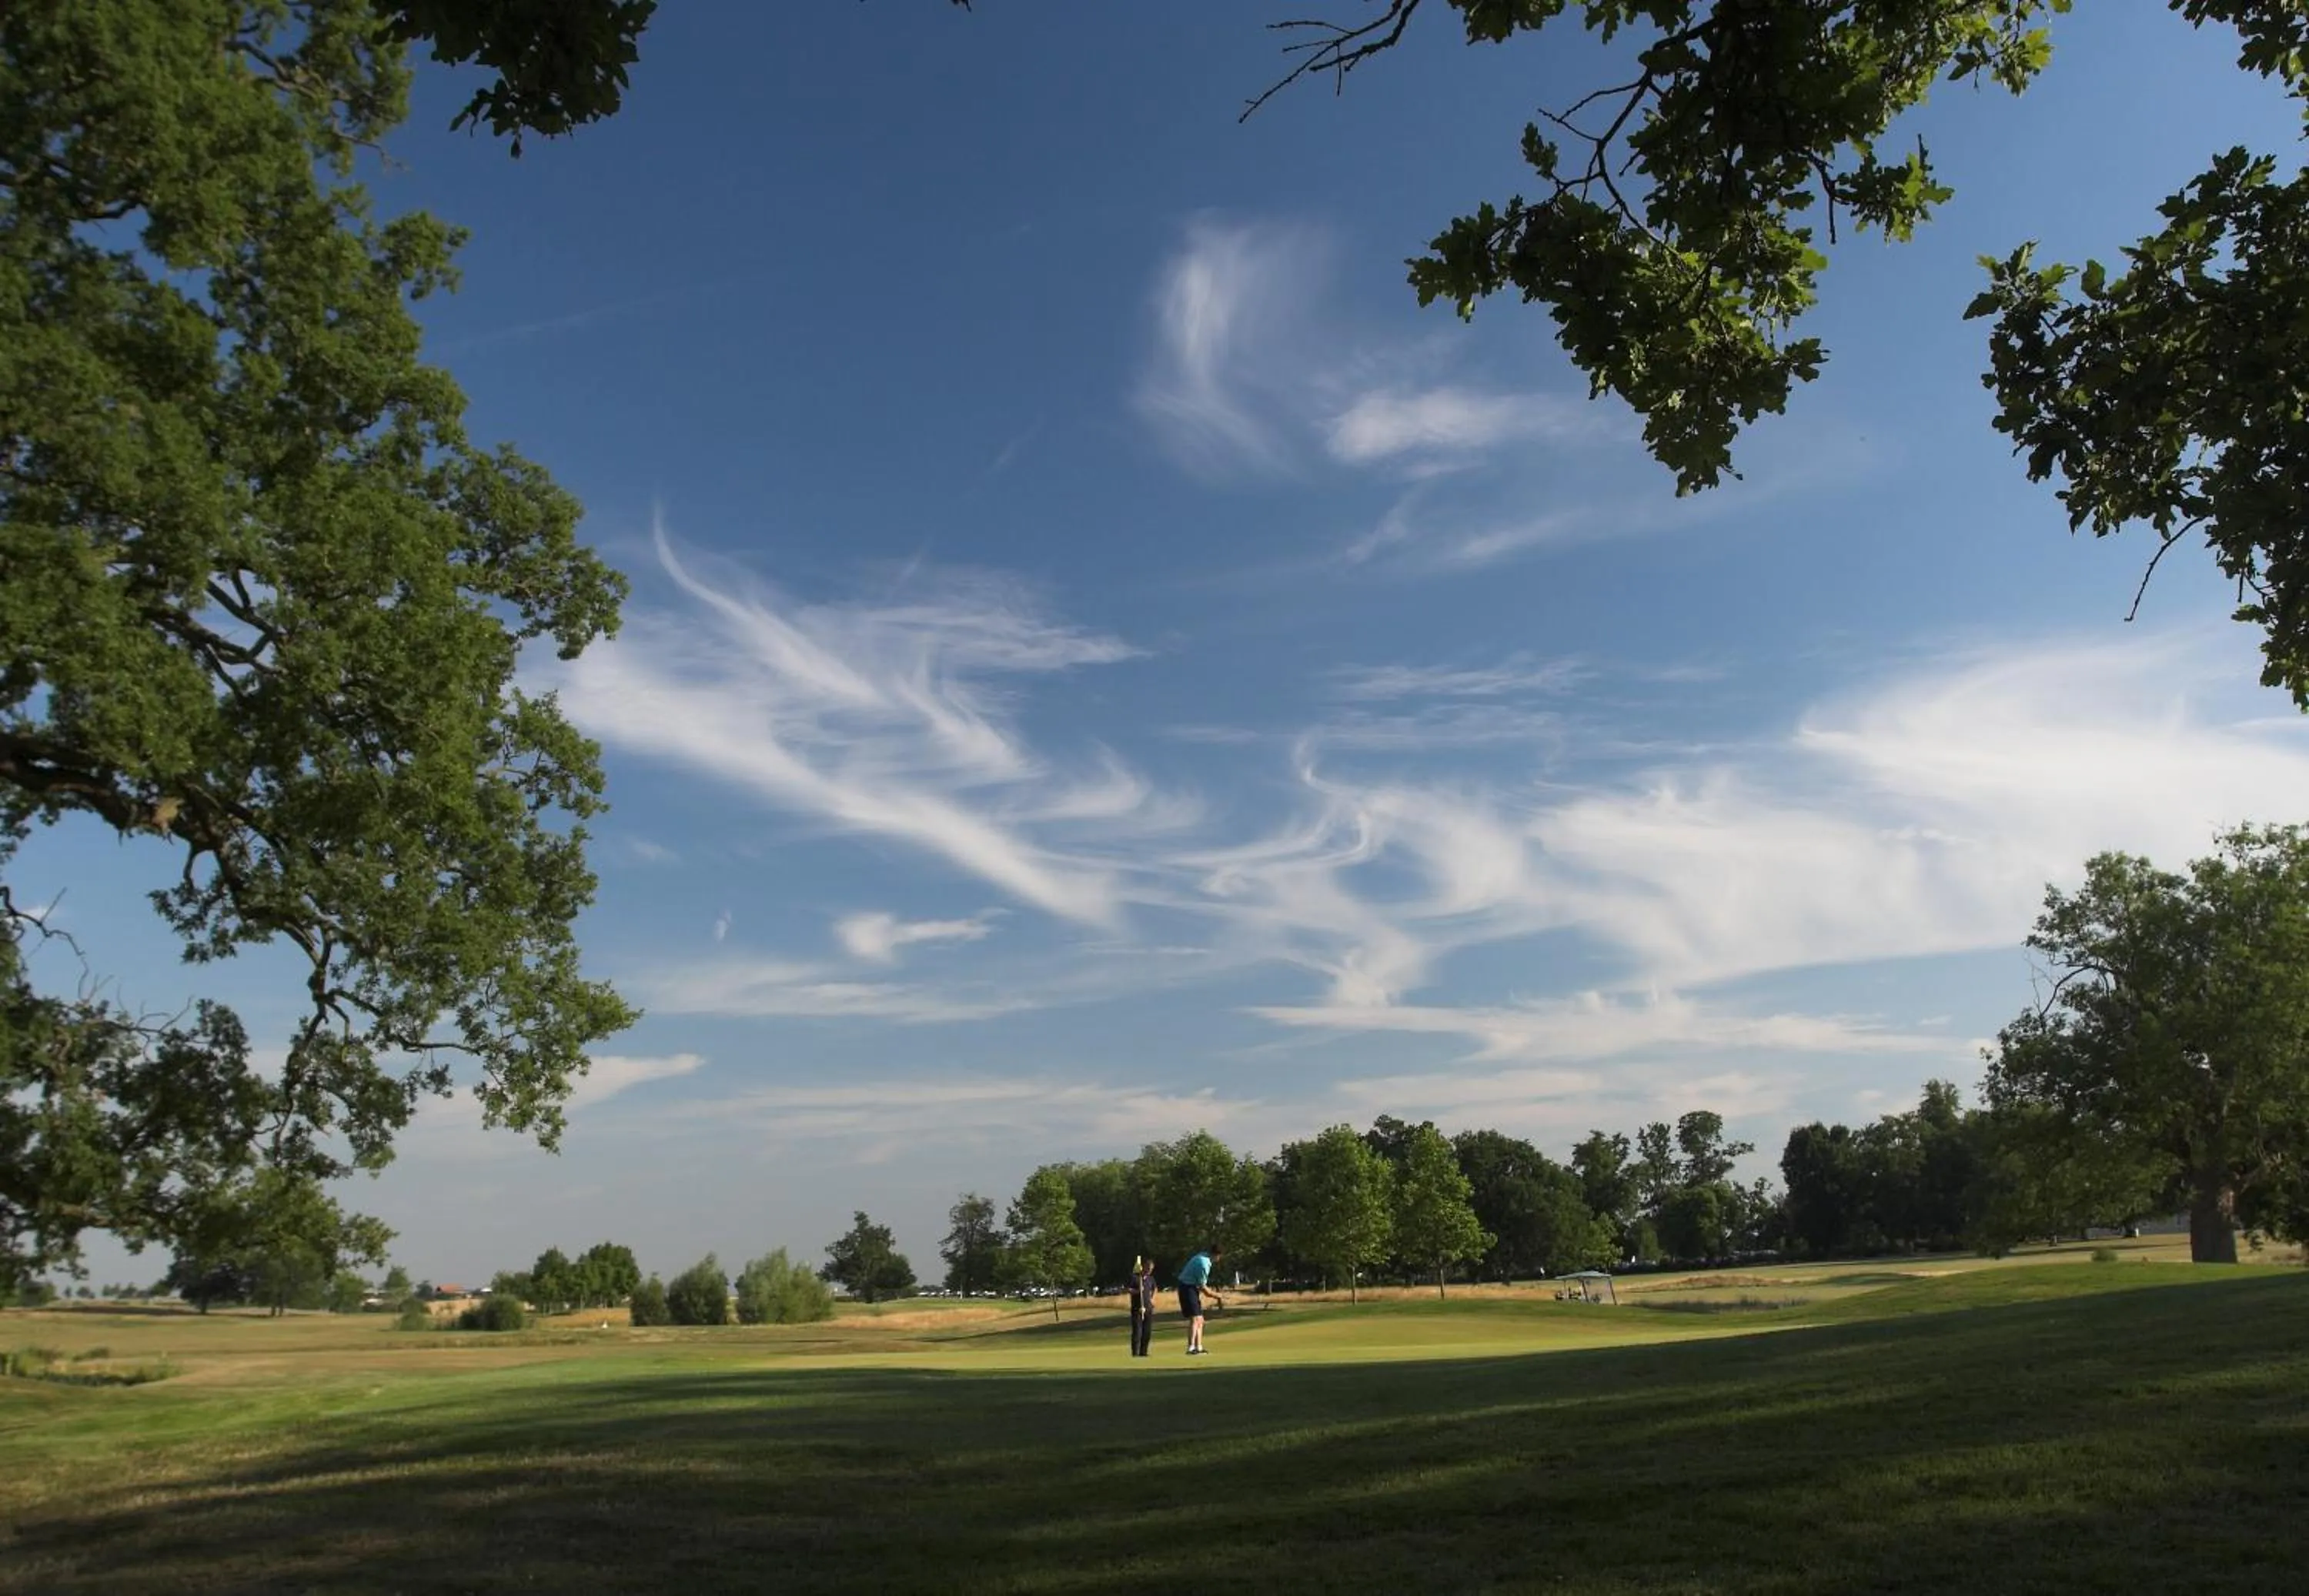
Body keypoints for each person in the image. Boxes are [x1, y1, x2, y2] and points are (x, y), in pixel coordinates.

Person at [1175, 1245, 1224, 1356]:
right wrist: (1218, 1296)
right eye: (1219, 1256)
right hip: (1186, 1288)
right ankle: (1191, 1348)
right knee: (1195, 1318)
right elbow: (1204, 1289)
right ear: (1216, 1255)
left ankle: (1199, 1347)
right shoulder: (1204, 1264)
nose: (1219, 1259)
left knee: (1200, 1319)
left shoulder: (1202, 1255)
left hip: (1190, 1287)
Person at [1127, 1256, 1158, 1357]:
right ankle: (1135, 1353)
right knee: (1137, 1332)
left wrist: (1152, 1298)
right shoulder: (1135, 1277)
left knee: (1147, 1332)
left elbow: (1155, 1289)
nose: (1150, 1271)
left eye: (1151, 1269)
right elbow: (1129, 1290)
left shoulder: (1151, 1279)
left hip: (1148, 1308)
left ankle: (1143, 1352)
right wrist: (1137, 1291)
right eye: (1148, 1268)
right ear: (1144, 1267)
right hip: (1137, 1308)